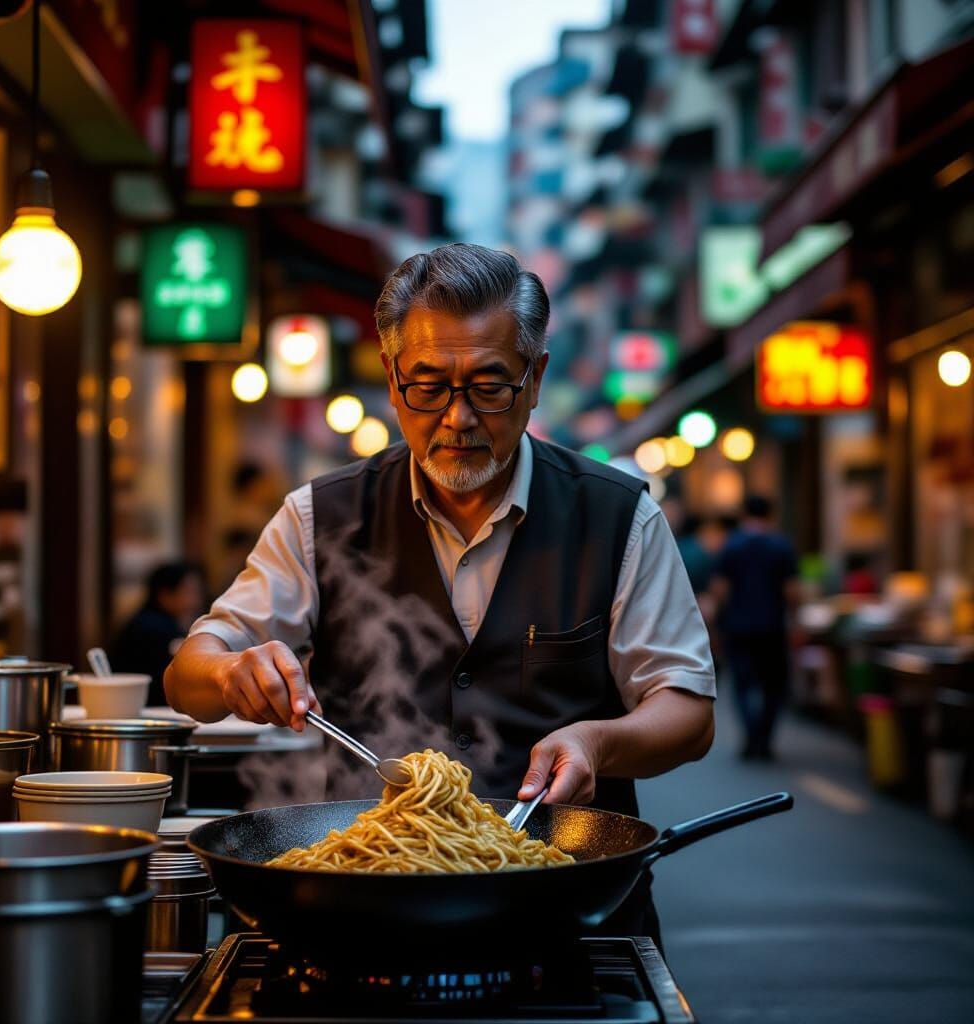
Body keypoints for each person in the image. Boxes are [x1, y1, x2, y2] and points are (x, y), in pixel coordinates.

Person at [165, 243, 715, 942]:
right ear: (393, 382)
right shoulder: (320, 516)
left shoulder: (618, 516)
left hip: (567, 913)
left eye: (489, 387)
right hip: (361, 912)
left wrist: (598, 743)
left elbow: (688, 711)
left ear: (536, 377)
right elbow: (187, 676)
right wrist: (230, 669)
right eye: (428, 386)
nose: (457, 418)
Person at [710, 495, 799, 760]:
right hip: (772, 626)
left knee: (742, 683)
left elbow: (719, 590)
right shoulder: (781, 545)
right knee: (774, 685)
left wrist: (716, 624)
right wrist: (794, 620)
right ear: (770, 515)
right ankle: (764, 737)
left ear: (744, 514)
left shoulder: (732, 546)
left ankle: (751, 734)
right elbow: (792, 591)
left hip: (738, 626)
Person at [110, 561, 205, 706]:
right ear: (165, 594)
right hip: (138, 707)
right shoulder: (151, 627)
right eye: (189, 591)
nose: (196, 599)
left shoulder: (161, 622)